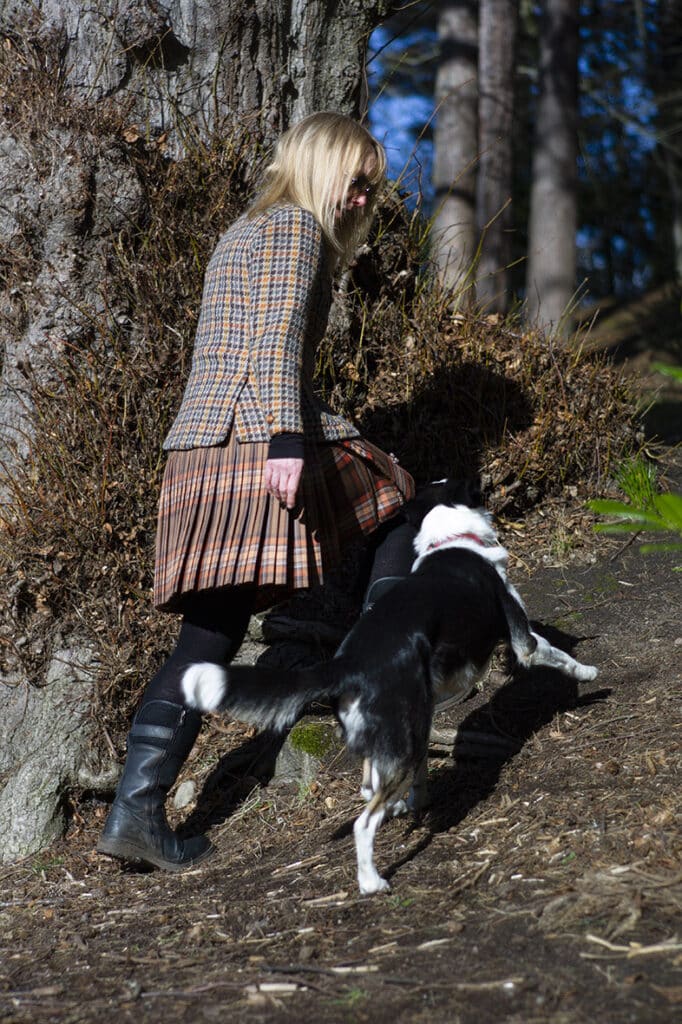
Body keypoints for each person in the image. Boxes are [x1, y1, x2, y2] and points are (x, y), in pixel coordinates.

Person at [97, 111, 416, 872]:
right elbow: (271, 340)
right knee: (398, 493)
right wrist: (282, 440)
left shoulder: (246, 228)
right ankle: (381, 671)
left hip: (200, 452)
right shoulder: (293, 231)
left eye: (372, 187)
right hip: (249, 442)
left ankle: (136, 811)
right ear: (321, 167)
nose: (366, 199)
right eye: (359, 182)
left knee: (211, 629)